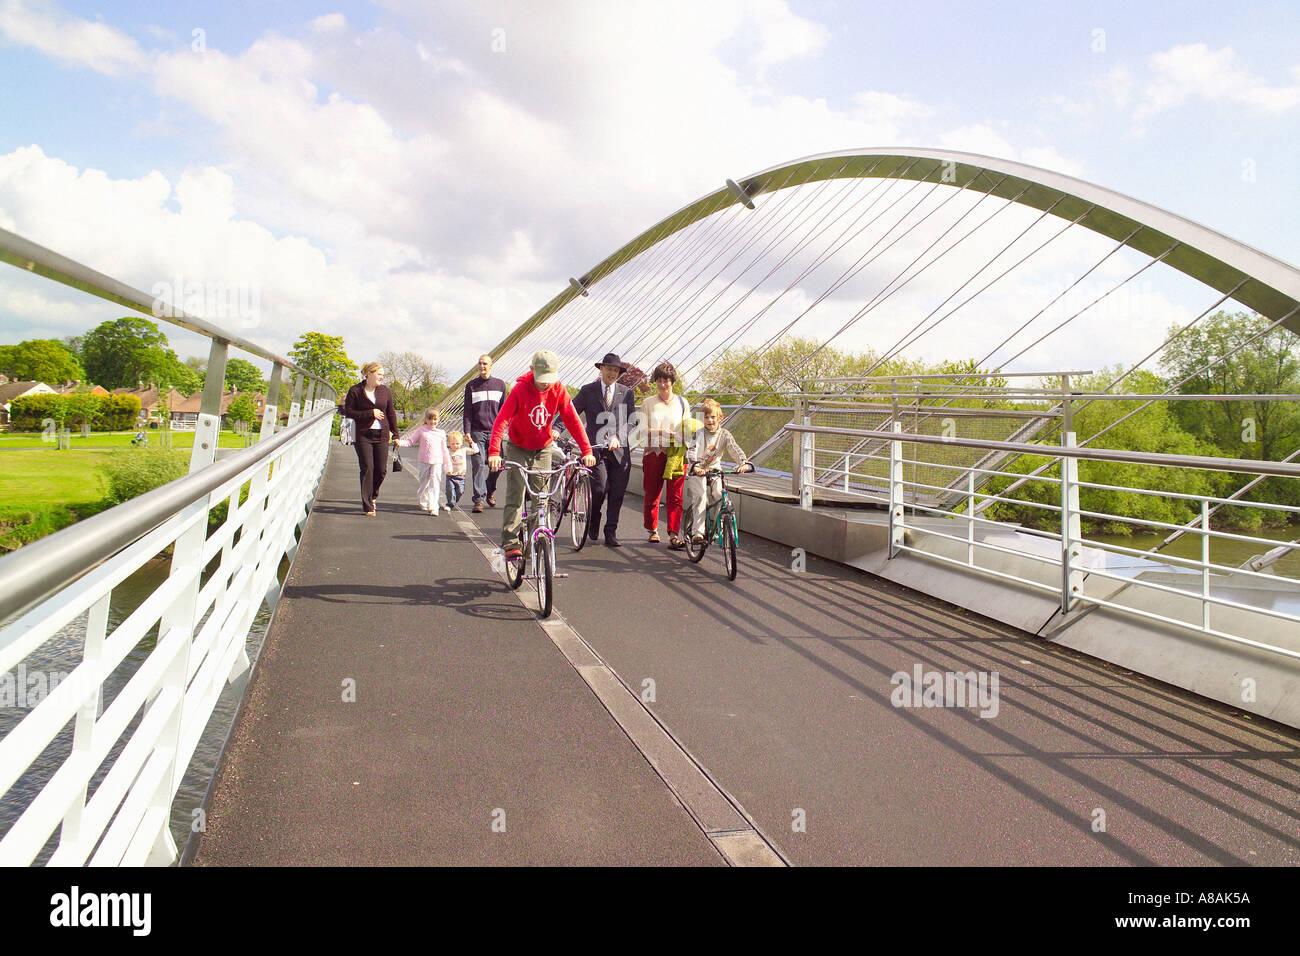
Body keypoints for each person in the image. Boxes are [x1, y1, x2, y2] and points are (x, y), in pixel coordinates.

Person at [488, 350, 595, 561]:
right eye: (542, 380)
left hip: (543, 448)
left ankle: (538, 536)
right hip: (518, 447)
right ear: (531, 371)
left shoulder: (558, 390)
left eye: (549, 379)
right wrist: (493, 452)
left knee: (541, 497)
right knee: (516, 494)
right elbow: (501, 421)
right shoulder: (520, 389)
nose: (546, 384)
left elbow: (573, 421)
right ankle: (510, 542)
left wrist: (587, 450)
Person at [571, 352, 637, 547]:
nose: (612, 373)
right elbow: (571, 413)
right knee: (598, 488)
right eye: (609, 369)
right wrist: (556, 430)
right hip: (595, 450)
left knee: (617, 493)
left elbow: (632, 420)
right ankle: (593, 518)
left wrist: (619, 436)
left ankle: (611, 532)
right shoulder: (588, 390)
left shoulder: (626, 392)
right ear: (601, 369)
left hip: (619, 452)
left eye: (616, 370)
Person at [635, 361, 695, 549]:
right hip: (654, 452)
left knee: (676, 496)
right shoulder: (648, 403)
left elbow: (687, 427)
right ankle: (653, 529)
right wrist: (664, 433)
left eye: (666, 380)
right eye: (659, 380)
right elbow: (642, 430)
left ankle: (674, 534)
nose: (662, 384)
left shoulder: (682, 402)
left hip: (676, 454)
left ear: (672, 382)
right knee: (652, 492)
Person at [685, 398, 753, 544]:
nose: (710, 420)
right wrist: (695, 466)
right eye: (706, 417)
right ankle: (698, 532)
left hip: (715, 470)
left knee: (718, 495)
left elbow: (734, 449)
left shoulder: (725, 435)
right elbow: (691, 451)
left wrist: (744, 463)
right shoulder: (699, 434)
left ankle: (717, 528)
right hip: (697, 470)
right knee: (701, 496)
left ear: (720, 417)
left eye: (713, 417)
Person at [342, 362, 399, 516]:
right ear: (369, 374)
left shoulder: (385, 391)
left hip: (381, 435)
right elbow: (348, 412)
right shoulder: (355, 391)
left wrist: (396, 434)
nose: (382, 377)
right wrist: (370, 413)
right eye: (379, 374)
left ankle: (373, 496)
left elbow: (391, 413)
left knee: (381, 470)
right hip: (362, 435)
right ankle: (367, 505)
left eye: (382, 375)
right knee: (367, 467)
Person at [463, 353, 508, 514]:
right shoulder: (471, 386)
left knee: (499, 465)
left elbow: (505, 410)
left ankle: (489, 489)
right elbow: (467, 411)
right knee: (478, 465)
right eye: (480, 363)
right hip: (477, 431)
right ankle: (478, 500)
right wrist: (466, 431)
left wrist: (505, 428)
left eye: (485, 364)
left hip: (495, 432)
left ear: (491, 365)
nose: (482, 366)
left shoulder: (500, 385)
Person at [396, 409, 453, 515]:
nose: (433, 422)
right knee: (424, 483)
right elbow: (410, 441)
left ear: (438, 420)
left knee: (435, 483)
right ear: (426, 419)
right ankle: (423, 501)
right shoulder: (421, 430)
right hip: (424, 461)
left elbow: (444, 450)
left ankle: (433, 506)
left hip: (437, 461)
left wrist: (448, 466)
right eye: (430, 419)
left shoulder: (441, 433)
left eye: (435, 419)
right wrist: (400, 442)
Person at [445, 431, 477, 508]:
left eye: (457, 443)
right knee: (450, 491)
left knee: (460, 491)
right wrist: (446, 470)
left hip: (461, 476)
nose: (455, 446)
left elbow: (476, 450)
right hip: (450, 476)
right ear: (449, 443)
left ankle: (454, 501)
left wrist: (471, 442)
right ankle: (450, 504)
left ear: (461, 443)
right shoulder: (447, 452)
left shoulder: (463, 450)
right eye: (453, 444)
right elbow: (444, 462)